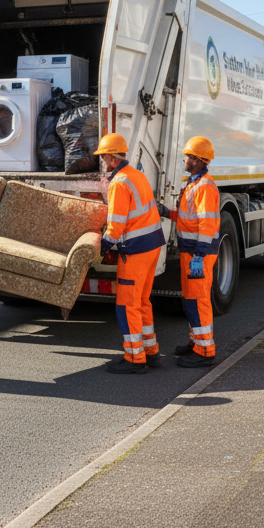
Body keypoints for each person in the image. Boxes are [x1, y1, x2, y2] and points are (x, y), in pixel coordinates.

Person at [96, 133, 166, 374]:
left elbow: (116, 225)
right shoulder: (137, 175)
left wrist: (100, 249)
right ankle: (151, 351)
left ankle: (135, 359)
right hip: (152, 246)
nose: (103, 160)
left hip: (135, 251)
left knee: (127, 305)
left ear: (112, 158)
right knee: (142, 301)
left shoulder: (119, 183)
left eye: (104, 156)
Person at [158, 137, 220, 367]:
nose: (184, 159)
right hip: (190, 251)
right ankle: (196, 343)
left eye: (187, 156)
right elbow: (188, 219)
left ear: (196, 160)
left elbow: (207, 224)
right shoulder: (194, 185)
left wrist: (199, 254)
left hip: (198, 254)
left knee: (198, 301)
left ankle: (205, 352)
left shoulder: (203, 187)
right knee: (190, 300)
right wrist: (166, 212)